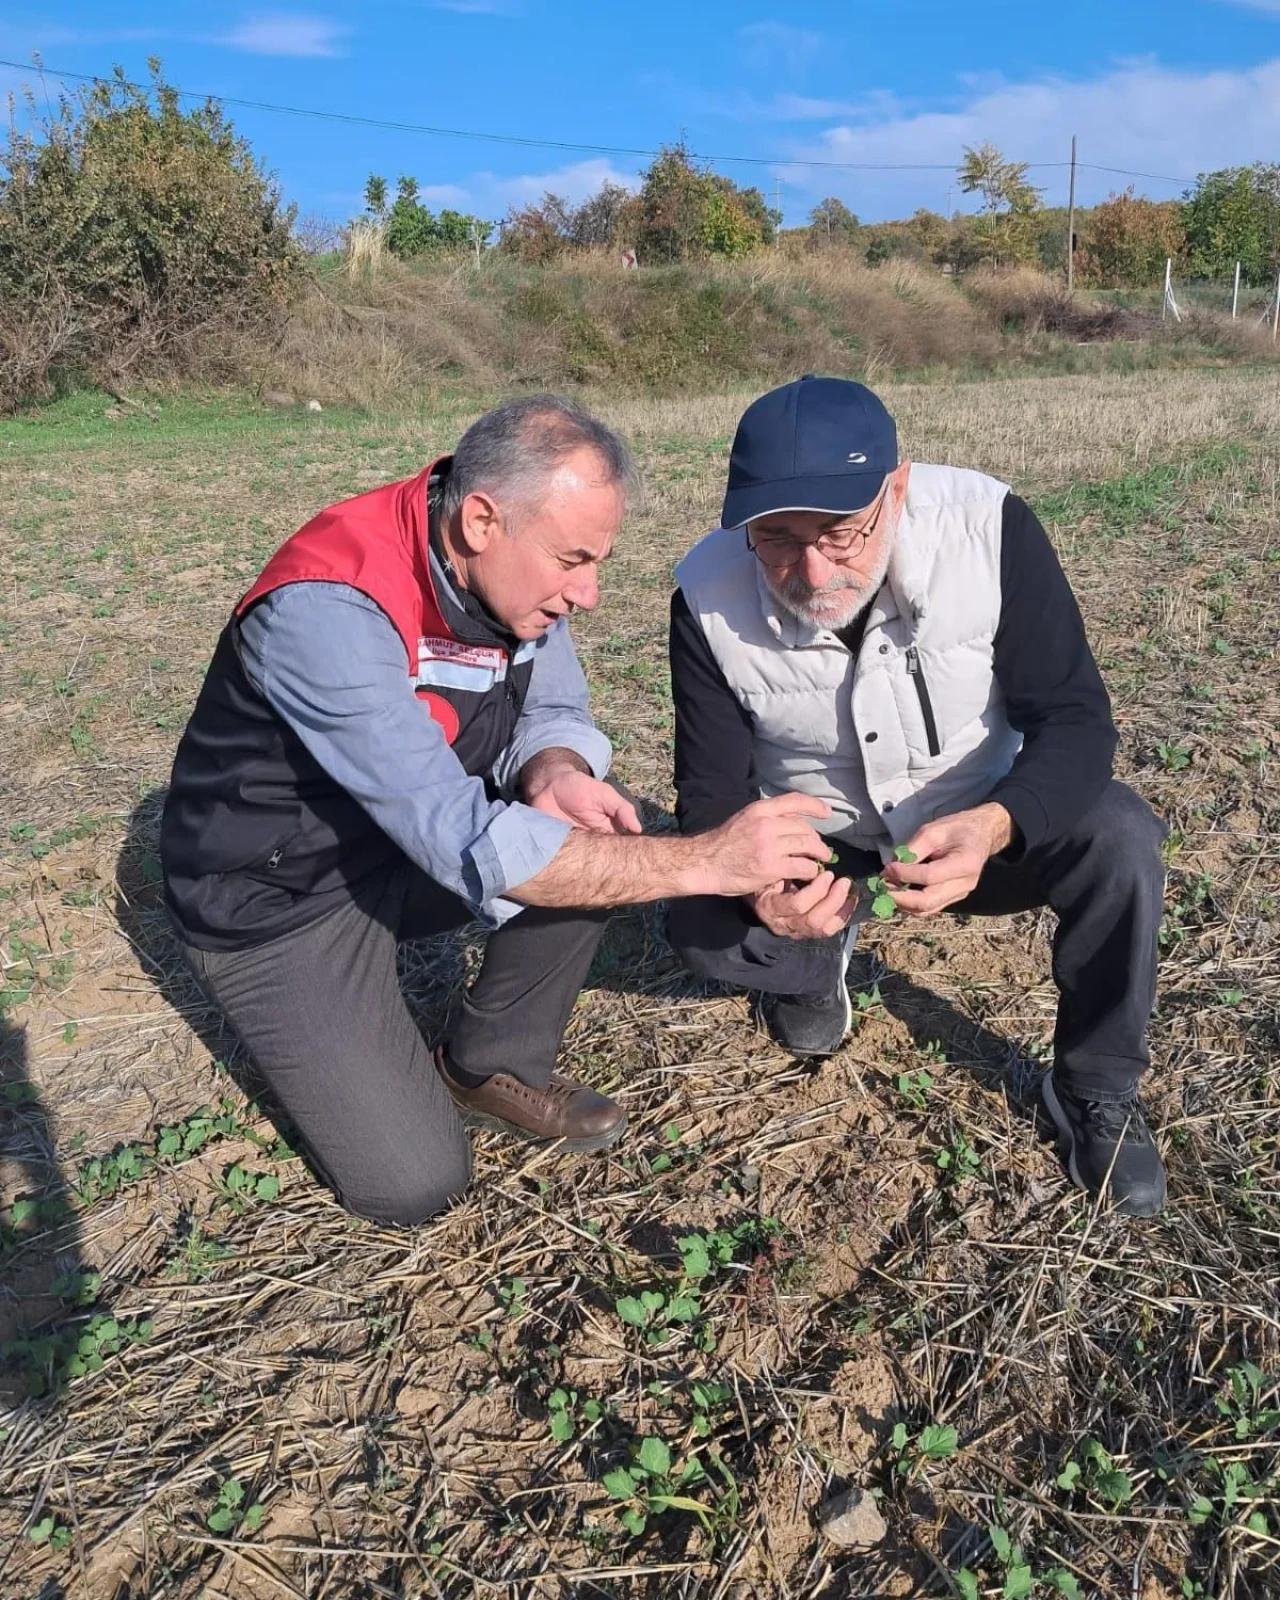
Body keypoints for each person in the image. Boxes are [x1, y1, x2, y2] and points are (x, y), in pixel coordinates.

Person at [160, 395, 832, 1225]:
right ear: (481, 518)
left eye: (600, 562)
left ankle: (489, 1063)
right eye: (572, 560)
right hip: (279, 897)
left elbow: (551, 713)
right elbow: (461, 837)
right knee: (414, 1184)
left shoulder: (511, 572)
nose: (585, 594)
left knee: (590, 836)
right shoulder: (326, 609)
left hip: (395, 849)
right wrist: (703, 860)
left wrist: (554, 771)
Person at [666, 376, 1169, 1217]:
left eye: (839, 532)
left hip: (978, 818)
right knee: (697, 922)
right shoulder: (705, 597)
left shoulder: (988, 528)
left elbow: (1075, 721)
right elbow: (710, 793)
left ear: (895, 487)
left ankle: (1095, 1087)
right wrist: (759, 887)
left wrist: (996, 822)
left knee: (1120, 835)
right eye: (776, 539)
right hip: (822, 842)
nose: (811, 568)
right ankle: (811, 969)